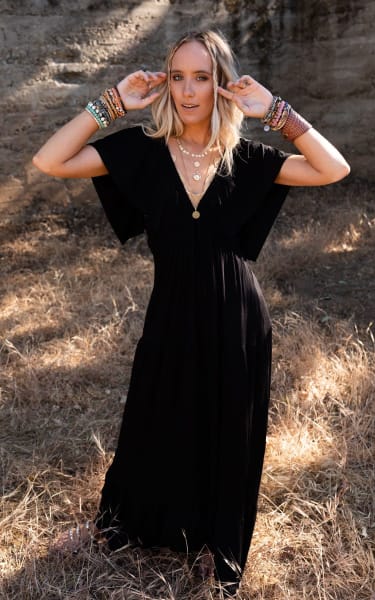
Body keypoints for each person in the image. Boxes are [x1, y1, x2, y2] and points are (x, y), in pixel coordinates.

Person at [32, 30, 350, 597]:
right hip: (171, 311)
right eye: (177, 76)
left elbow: (333, 169)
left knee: (227, 433)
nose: (186, 90)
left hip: (237, 318)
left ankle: (216, 546)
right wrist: (112, 102)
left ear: (222, 85)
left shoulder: (247, 159)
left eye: (201, 77)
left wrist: (277, 111)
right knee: (152, 419)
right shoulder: (143, 150)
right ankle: (123, 525)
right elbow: (49, 159)